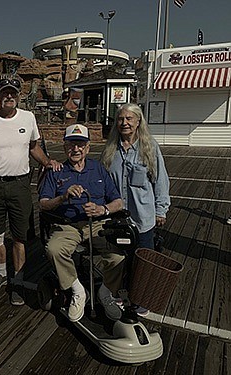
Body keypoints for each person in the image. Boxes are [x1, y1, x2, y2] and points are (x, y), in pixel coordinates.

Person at [0, 76, 60, 306]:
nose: (9, 96)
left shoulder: (28, 118)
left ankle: (18, 281)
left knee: (20, 236)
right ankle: (2, 273)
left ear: (18, 96)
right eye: (4, 92)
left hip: (21, 184)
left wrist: (47, 162)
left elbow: (33, 147)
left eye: (13, 92)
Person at [39, 124, 124, 322]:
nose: (75, 149)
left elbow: (118, 202)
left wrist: (102, 209)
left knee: (119, 255)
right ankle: (78, 290)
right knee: (53, 249)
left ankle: (105, 292)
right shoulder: (56, 171)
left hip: (97, 223)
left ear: (87, 148)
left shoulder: (98, 168)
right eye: (71, 145)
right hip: (68, 224)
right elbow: (43, 204)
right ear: (64, 147)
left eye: (80, 144)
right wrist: (62, 198)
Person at [101, 103, 170, 250]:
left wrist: (161, 211)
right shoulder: (109, 150)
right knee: (118, 262)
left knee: (143, 265)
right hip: (117, 218)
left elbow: (160, 182)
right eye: (120, 119)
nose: (124, 123)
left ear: (138, 121)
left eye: (129, 118)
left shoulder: (150, 147)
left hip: (142, 219)